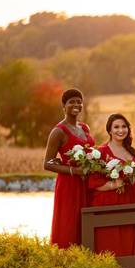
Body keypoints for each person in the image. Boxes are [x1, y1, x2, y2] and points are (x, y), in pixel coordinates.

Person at [88, 113, 135, 268]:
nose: (121, 130)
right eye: (116, 127)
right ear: (110, 131)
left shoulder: (132, 152)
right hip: (110, 204)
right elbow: (93, 183)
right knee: (112, 244)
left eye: (124, 126)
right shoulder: (101, 152)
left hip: (131, 203)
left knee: (129, 243)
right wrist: (113, 184)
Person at [43, 88, 94, 249]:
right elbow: (47, 163)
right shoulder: (58, 131)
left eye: (79, 101)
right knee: (69, 223)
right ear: (64, 106)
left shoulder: (85, 128)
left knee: (86, 222)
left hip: (86, 183)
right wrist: (74, 170)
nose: (76, 104)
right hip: (69, 185)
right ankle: (65, 261)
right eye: (72, 101)